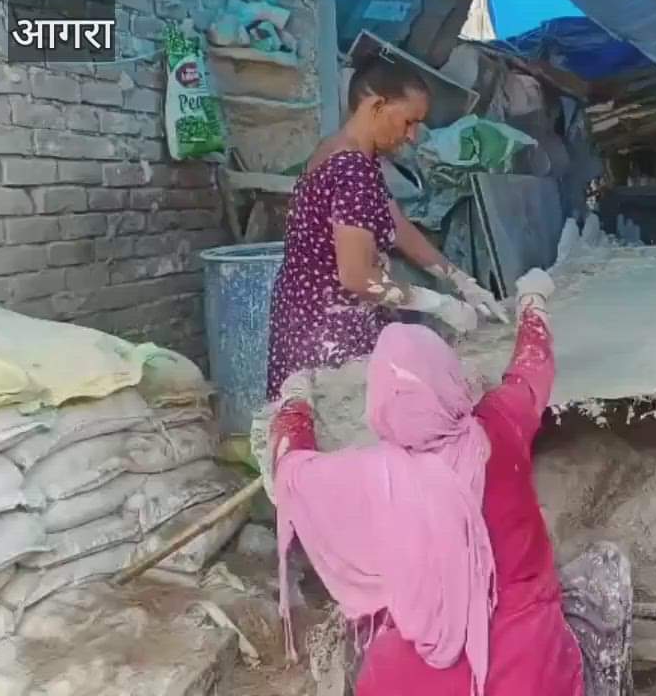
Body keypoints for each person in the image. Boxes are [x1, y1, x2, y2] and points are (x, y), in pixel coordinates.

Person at [269, 268, 634, 696]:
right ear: (449, 380)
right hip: (529, 676)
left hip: (402, 685)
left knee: (368, 626)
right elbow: (531, 368)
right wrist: (532, 301)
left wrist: (295, 403)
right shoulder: (497, 426)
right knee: (608, 569)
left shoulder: (363, 478)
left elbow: (290, 467)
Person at [265, 49, 507, 400]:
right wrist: (440, 305)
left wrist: (459, 280)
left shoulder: (343, 152)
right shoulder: (351, 170)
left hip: (307, 320)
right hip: (330, 336)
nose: (412, 136)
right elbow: (357, 277)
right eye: (408, 121)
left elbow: (397, 226)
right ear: (376, 105)